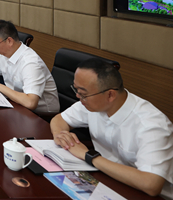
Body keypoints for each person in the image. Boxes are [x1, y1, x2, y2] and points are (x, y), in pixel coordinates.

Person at [50, 59, 173, 198]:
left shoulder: (151, 126)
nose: (78, 97)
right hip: (108, 180)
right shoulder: (94, 103)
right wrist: (61, 135)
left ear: (110, 95)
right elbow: (59, 119)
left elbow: (151, 184)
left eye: (83, 93)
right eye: (76, 90)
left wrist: (89, 156)